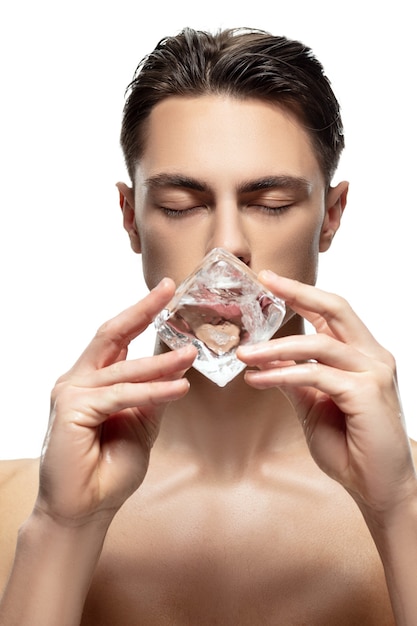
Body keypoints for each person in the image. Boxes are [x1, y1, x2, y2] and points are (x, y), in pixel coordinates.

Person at [0, 26, 416, 626]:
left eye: (271, 203)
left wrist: (398, 509)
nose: (227, 247)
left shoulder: (407, 496)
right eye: (180, 205)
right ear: (132, 218)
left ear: (331, 216)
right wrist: (65, 525)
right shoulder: (19, 508)